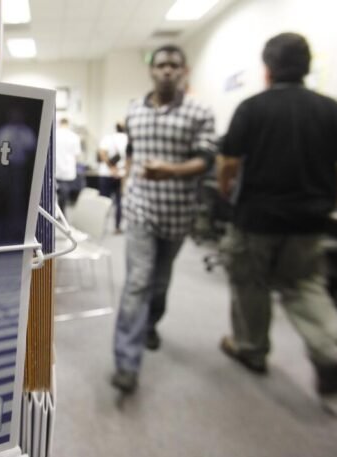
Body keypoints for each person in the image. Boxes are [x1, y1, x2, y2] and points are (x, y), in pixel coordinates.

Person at [217, 32, 337, 396]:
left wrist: (225, 188)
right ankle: (329, 351)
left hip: (257, 217)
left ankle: (251, 349)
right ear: (306, 67)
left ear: (267, 69)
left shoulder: (252, 108)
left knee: (250, 283)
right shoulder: (332, 110)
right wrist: (333, 193)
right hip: (309, 220)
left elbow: (229, 161)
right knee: (304, 284)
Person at [111, 45, 217, 393]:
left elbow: (206, 160)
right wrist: (126, 184)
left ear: (184, 71)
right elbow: (131, 151)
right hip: (140, 209)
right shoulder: (134, 110)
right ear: (152, 70)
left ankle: (150, 324)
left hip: (178, 212)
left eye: (174, 65)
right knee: (138, 281)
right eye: (161, 65)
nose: (167, 70)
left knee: (159, 281)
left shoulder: (199, 111)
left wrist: (170, 170)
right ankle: (126, 363)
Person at [97, 121, 128, 233]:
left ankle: (101, 226)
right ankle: (117, 227)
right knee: (119, 202)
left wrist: (111, 167)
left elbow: (102, 153)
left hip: (106, 173)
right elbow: (130, 158)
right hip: (121, 174)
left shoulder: (108, 138)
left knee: (103, 201)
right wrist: (120, 170)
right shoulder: (128, 139)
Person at [55, 117, 82, 214]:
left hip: (55, 169)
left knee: (53, 193)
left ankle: (56, 213)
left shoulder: (55, 134)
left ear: (59, 123)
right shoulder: (74, 137)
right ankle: (62, 213)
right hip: (68, 170)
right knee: (64, 193)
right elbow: (77, 155)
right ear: (68, 124)